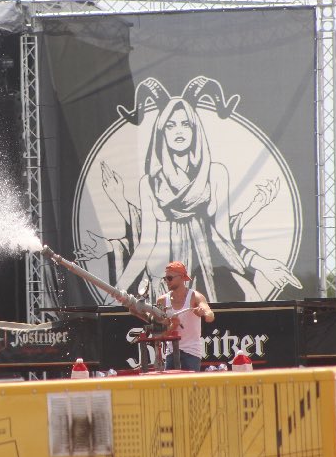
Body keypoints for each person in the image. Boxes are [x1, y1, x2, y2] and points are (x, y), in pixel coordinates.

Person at [112, 77, 301, 302]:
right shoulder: (150, 182)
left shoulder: (216, 174)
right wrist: (116, 291)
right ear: (161, 132)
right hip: (163, 283)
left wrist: (261, 263)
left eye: (185, 124)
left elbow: (224, 239)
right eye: (171, 125)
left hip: (206, 281)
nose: (179, 131)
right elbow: (145, 245)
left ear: (195, 130)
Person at [157, 261, 213, 371]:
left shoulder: (195, 296)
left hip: (192, 353)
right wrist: (173, 326)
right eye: (165, 278)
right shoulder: (162, 301)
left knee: (190, 383)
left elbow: (210, 315)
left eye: (169, 278)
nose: (167, 281)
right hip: (171, 353)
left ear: (182, 277)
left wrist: (203, 312)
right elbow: (161, 333)